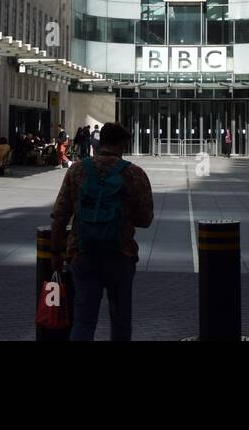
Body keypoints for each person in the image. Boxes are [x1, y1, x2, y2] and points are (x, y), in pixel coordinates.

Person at [50, 122, 154, 341]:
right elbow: (145, 220)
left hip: (83, 251)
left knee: (84, 320)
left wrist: (56, 252)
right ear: (122, 145)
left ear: (101, 141)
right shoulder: (134, 173)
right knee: (121, 319)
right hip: (120, 253)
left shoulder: (77, 170)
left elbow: (60, 214)